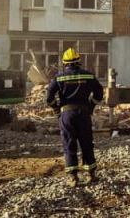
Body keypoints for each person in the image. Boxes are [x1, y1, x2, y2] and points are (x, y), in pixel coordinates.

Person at [46, 47, 104, 186]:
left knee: (69, 143)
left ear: (65, 63)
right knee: (86, 143)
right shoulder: (89, 76)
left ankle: (73, 177)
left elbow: (49, 98)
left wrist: (56, 110)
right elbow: (99, 93)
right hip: (83, 114)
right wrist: (91, 106)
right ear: (79, 62)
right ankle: (91, 174)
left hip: (67, 115)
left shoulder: (59, 77)